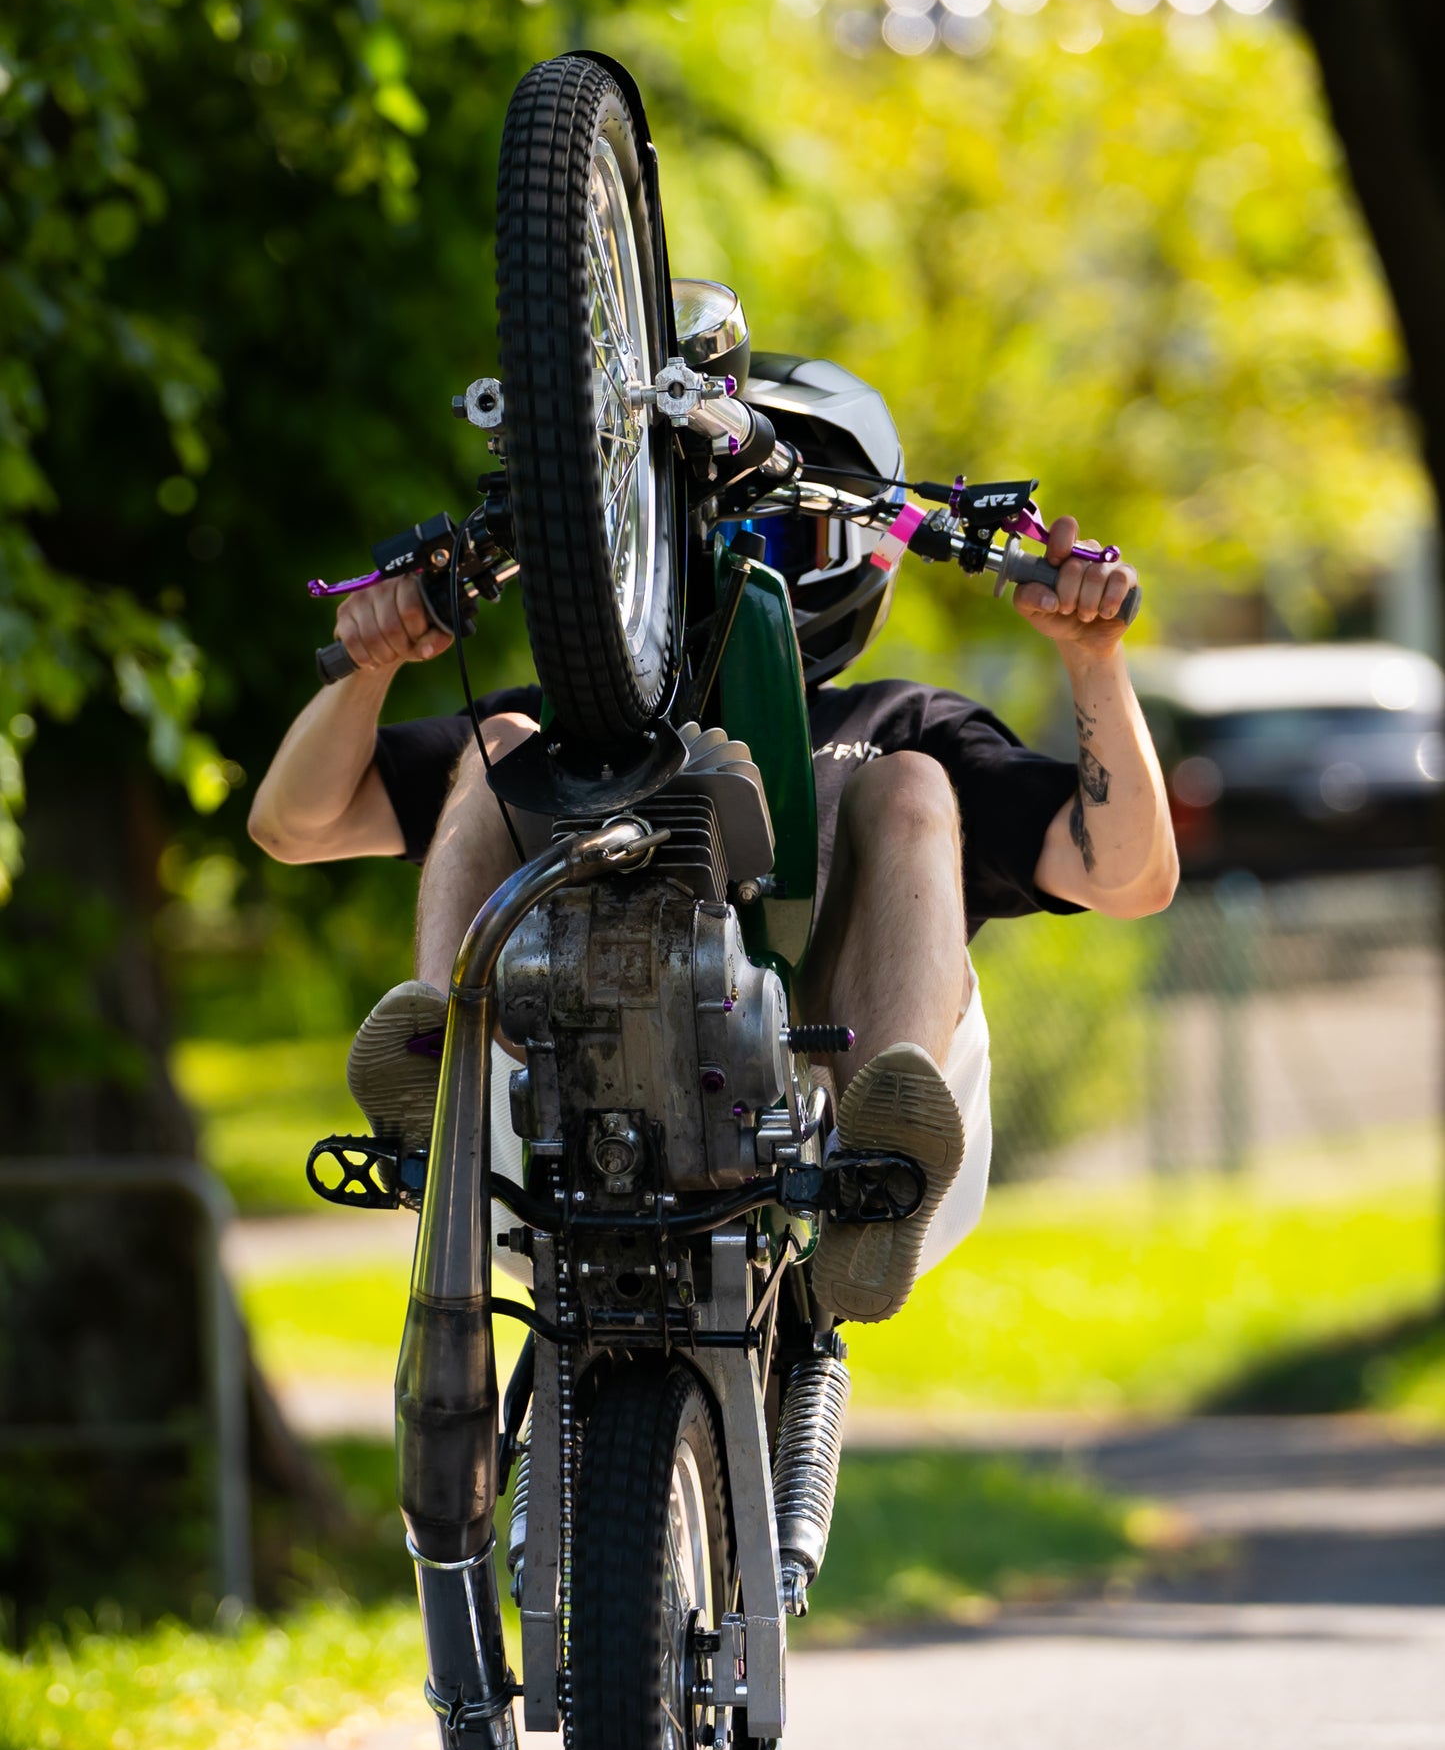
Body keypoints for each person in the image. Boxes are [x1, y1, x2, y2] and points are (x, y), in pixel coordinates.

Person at [250, 401, 1177, 1326]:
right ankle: (441, 1081)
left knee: (910, 784)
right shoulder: (558, 727)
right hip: (552, 1094)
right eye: (712, 518)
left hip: (819, 1090)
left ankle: (879, 1160)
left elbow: (1128, 876)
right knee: (500, 739)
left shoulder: (903, 725)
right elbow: (297, 824)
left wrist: (1094, 659)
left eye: (781, 521)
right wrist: (368, 664)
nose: (743, 547)